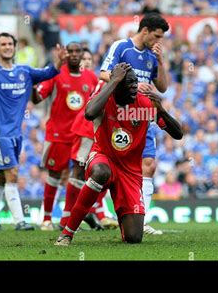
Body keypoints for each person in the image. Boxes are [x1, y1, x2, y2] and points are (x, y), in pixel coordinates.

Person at [55, 63, 183, 246]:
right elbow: (89, 114)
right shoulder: (105, 98)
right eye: (129, 83)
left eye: (135, 82)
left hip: (130, 172)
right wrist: (113, 80)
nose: (134, 87)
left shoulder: (144, 104)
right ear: (116, 85)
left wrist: (162, 110)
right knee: (101, 172)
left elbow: (178, 134)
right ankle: (67, 233)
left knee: (134, 238)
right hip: (102, 157)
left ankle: (122, 217)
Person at [0, 32, 66, 230]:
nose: (8, 46)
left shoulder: (25, 71)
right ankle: (20, 221)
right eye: (3, 44)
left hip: (16, 134)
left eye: (10, 43)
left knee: (2, 176)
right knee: (12, 173)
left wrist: (59, 61)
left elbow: (49, 73)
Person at [100, 12, 170, 235]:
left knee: (149, 164)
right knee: (111, 167)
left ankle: (143, 217)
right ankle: (100, 211)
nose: (158, 41)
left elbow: (163, 87)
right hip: (118, 116)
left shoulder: (151, 56)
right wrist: (134, 84)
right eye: (156, 36)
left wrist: (160, 61)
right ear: (145, 30)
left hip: (142, 115)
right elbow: (103, 74)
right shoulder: (122, 47)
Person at [31, 42, 98, 231]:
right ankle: (46, 219)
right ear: (65, 54)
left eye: (79, 51)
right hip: (58, 134)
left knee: (80, 176)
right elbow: (37, 97)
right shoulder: (55, 74)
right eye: (71, 51)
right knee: (54, 175)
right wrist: (31, 86)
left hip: (82, 135)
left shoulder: (91, 77)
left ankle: (69, 219)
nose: (75, 55)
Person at [68, 48, 118, 230]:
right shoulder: (103, 81)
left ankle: (96, 213)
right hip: (84, 130)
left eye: (90, 58)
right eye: (84, 59)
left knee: (100, 173)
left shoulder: (96, 80)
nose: (87, 62)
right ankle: (67, 217)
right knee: (78, 172)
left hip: (97, 133)